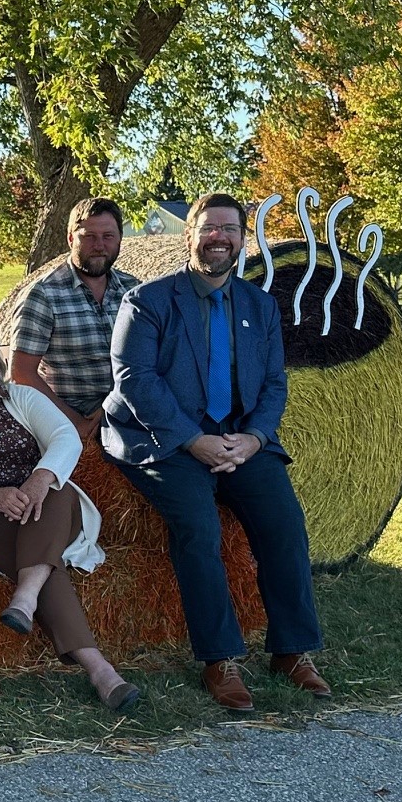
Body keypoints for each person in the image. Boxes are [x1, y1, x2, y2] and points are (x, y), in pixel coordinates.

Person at [101, 191, 330, 712]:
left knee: (285, 524)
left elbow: (274, 383)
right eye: (209, 228)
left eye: (229, 229)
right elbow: (135, 380)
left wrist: (254, 438)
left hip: (239, 440)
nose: (219, 237)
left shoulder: (260, 305)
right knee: (199, 529)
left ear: (243, 240)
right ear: (190, 235)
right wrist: (192, 441)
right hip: (163, 438)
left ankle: (292, 650)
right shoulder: (149, 302)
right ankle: (220, 658)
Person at [0, 328, 141, 712]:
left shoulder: (22, 396)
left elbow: (66, 438)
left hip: (45, 507)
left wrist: (37, 481)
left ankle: (25, 596)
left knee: (58, 489)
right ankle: (100, 670)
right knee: (45, 564)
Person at [9, 196, 140, 434]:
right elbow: (21, 374)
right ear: (71, 239)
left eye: (108, 236)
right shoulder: (43, 294)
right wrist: (75, 423)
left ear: (120, 239)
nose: (99, 245)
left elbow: (155, 360)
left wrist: (115, 405)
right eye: (89, 236)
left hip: (129, 406)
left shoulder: (136, 291)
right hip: (71, 410)